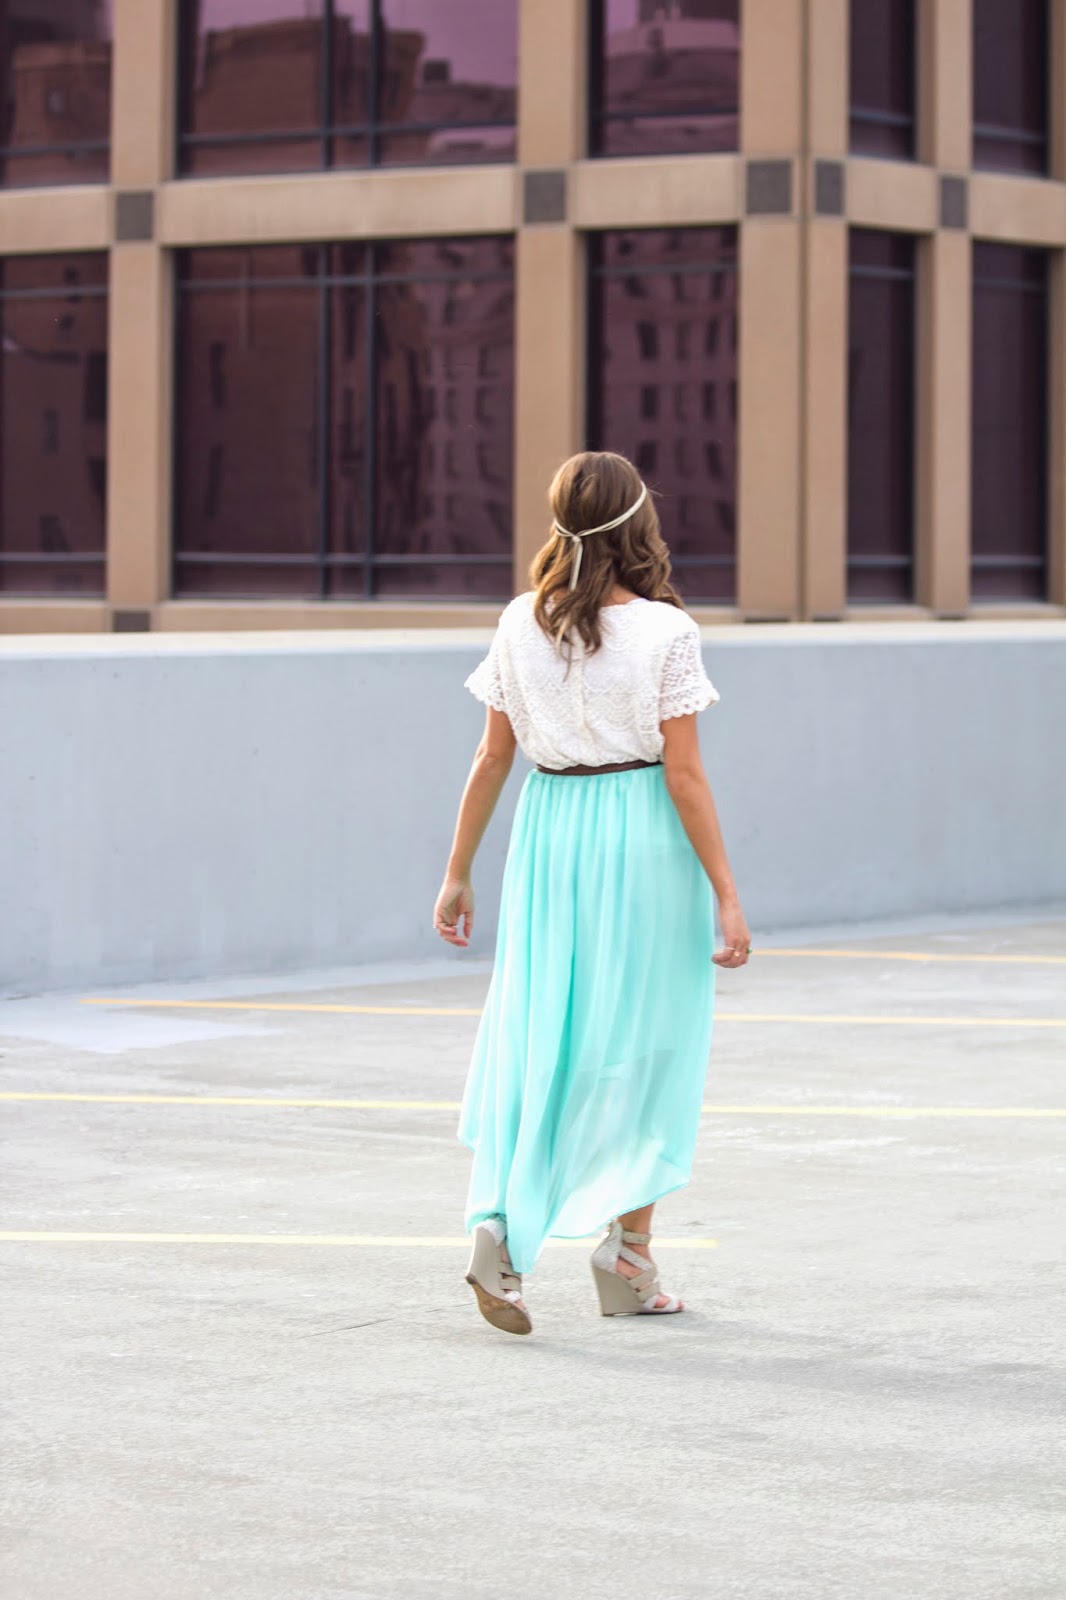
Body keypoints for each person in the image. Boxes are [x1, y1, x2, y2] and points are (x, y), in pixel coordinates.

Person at [433, 450, 750, 1336]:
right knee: (649, 1042)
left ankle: (500, 1231)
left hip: (548, 833)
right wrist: (727, 893)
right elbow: (684, 775)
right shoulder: (665, 632)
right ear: (641, 521)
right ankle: (629, 1257)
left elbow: (491, 757)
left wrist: (457, 871)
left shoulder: (519, 621)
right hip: (642, 837)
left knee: (538, 1033)